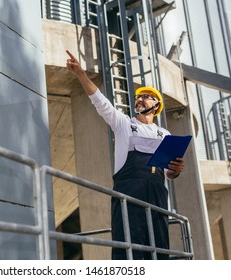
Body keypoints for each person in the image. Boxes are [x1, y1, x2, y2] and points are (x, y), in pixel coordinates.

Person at [65, 50, 185, 260]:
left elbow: (169, 174)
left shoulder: (165, 134)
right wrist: (81, 74)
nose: (140, 99)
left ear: (156, 106)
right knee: (128, 248)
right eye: (139, 97)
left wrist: (176, 170)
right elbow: (100, 102)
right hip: (129, 194)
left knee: (159, 250)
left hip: (157, 196)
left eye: (146, 97)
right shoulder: (124, 124)